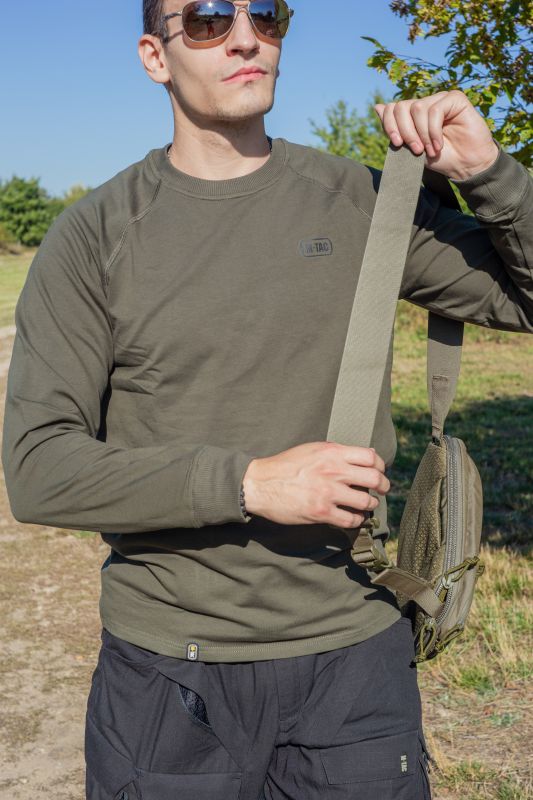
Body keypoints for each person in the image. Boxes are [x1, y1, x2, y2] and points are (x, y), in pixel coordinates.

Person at [2, 1, 532, 798]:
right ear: (155, 55)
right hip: (170, 679)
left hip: (354, 663)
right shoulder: (95, 233)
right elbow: (40, 469)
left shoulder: (362, 200)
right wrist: (249, 483)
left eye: (267, 13)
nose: (245, 35)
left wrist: (490, 176)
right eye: (208, 18)